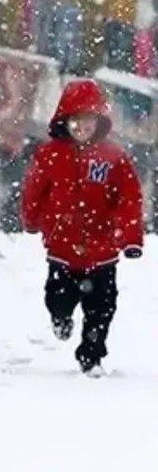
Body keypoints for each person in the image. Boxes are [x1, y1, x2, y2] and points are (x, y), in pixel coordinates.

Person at [20, 78, 143, 375]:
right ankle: (61, 318)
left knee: (101, 309)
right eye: (75, 121)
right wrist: (31, 218)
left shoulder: (114, 158)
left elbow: (128, 198)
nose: (81, 128)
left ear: (98, 122)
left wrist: (130, 238)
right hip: (62, 248)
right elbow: (34, 189)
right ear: (65, 121)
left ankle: (92, 356)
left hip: (103, 252)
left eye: (88, 121)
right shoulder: (49, 154)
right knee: (58, 298)